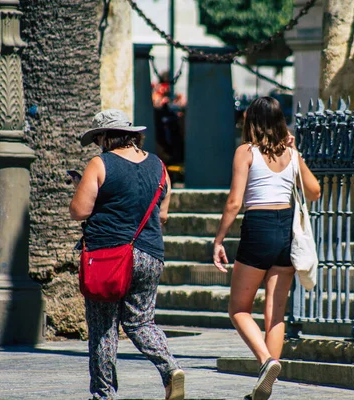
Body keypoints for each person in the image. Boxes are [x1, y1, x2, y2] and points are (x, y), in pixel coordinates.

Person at [69, 109, 184, 400]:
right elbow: (163, 213)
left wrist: (79, 187)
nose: (98, 146)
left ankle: (104, 394)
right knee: (141, 321)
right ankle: (171, 369)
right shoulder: (158, 165)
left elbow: (79, 211)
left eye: (98, 139)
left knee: (103, 327)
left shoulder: (99, 164)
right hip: (150, 254)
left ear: (106, 137)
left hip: (109, 256)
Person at [212, 97, 321, 400]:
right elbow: (315, 192)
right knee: (275, 314)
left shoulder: (245, 152)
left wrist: (219, 239)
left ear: (252, 122)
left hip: (258, 228)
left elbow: (235, 202)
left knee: (238, 309)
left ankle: (266, 362)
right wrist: (295, 153)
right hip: (285, 229)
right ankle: (266, 386)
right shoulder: (290, 153)